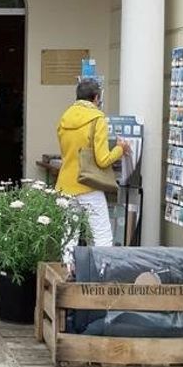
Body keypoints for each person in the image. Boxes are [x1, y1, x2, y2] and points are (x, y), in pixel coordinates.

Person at [56, 78, 128, 247]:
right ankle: (102, 273)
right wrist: (120, 149)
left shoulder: (64, 118)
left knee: (69, 236)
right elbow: (103, 160)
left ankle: (67, 270)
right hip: (88, 184)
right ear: (96, 97)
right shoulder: (97, 119)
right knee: (102, 235)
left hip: (65, 184)